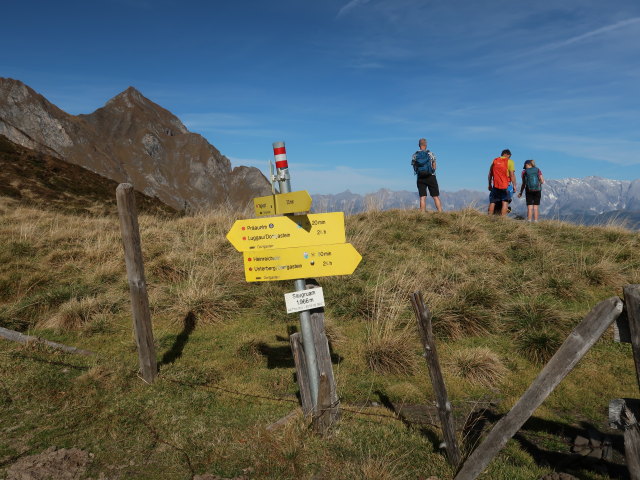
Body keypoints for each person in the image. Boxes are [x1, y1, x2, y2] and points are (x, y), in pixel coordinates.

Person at [411, 138, 443, 212]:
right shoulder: (430, 154)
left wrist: (418, 172)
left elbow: (414, 166)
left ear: (419, 145)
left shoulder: (415, 155)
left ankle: (422, 214)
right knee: (435, 196)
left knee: (422, 197)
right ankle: (440, 212)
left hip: (420, 177)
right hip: (430, 176)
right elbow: (434, 164)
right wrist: (432, 171)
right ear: (426, 145)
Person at [488, 149, 517, 216]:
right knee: (505, 201)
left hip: (495, 185)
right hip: (506, 185)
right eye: (509, 156)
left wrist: (489, 184)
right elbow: (512, 175)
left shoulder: (494, 161)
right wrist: (514, 185)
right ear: (508, 155)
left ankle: (489, 217)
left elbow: (490, 174)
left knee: (493, 202)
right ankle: (502, 219)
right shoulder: (510, 162)